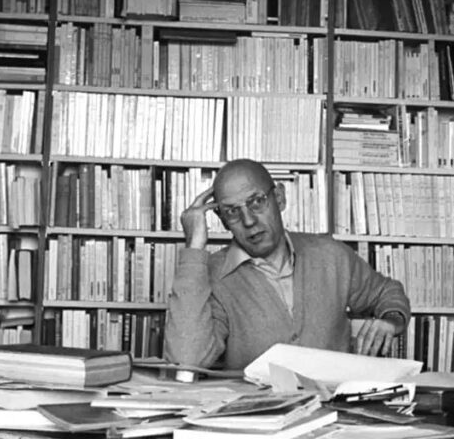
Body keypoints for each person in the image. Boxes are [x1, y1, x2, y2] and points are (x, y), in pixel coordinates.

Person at [164, 158, 411, 370]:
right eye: (232, 212)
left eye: (256, 202)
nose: (248, 221)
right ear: (222, 220)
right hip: (259, 409)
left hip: (332, 407)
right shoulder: (213, 277)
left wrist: (391, 320)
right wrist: (194, 247)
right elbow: (185, 361)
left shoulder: (331, 255)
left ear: (280, 198)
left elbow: (387, 292)